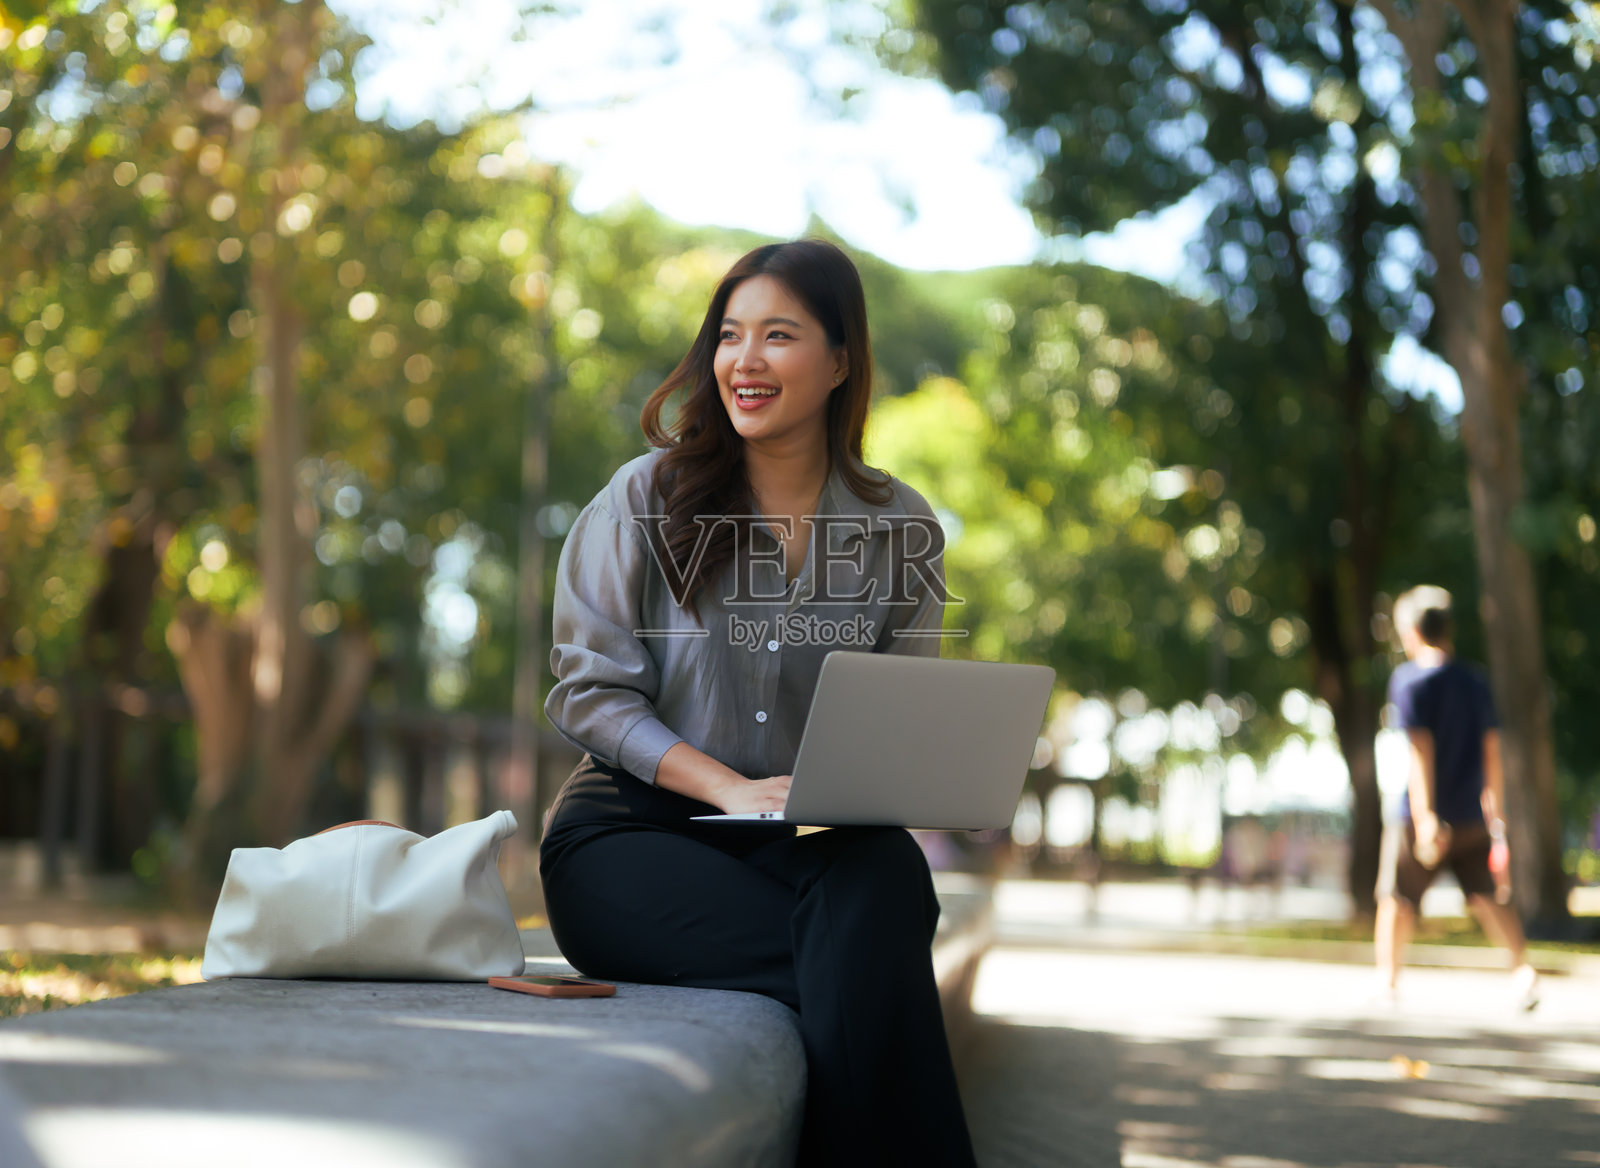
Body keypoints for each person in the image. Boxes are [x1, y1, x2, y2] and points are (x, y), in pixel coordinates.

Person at [538, 239, 978, 1167]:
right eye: (730, 336)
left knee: (888, 878)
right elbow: (588, 695)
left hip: (800, 848)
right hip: (630, 840)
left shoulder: (903, 528)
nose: (745, 360)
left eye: (778, 336)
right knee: (871, 963)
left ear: (841, 360)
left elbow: (903, 714)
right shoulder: (643, 498)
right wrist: (727, 789)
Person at [1375, 584, 1540, 1010]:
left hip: (1421, 814)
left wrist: (1425, 814)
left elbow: (1420, 750)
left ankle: (1388, 983)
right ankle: (1522, 971)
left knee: (1397, 898)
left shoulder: (1409, 680)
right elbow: (1492, 750)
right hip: (1471, 813)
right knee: (1487, 897)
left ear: (1411, 631)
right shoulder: (1474, 681)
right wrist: (1495, 810)